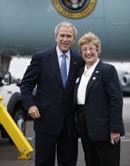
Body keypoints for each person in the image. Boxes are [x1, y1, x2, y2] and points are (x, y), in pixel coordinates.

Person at [20, 21, 84, 166]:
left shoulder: (79, 61)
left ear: (73, 39)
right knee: (44, 162)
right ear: (56, 37)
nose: (65, 39)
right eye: (62, 35)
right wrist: (30, 105)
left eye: (69, 36)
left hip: (70, 126)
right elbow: (26, 84)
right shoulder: (41, 58)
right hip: (45, 122)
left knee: (68, 162)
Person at [74, 32, 125, 166]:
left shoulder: (107, 70)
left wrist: (115, 129)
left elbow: (116, 101)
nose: (88, 52)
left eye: (91, 48)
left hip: (105, 130)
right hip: (86, 128)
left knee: (108, 162)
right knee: (91, 162)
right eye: (84, 49)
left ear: (98, 50)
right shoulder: (80, 72)